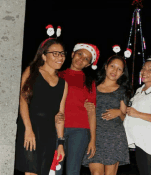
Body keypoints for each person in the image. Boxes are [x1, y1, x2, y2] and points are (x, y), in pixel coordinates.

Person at [15, 38, 68, 175]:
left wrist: (60, 143)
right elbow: (23, 102)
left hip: (49, 133)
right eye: (55, 53)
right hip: (30, 128)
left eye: (62, 53)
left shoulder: (63, 84)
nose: (60, 57)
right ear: (44, 55)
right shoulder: (32, 71)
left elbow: (60, 114)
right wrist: (28, 129)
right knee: (31, 172)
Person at [82, 55, 131, 175]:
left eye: (119, 69)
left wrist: (119, 112)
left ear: (122, 73)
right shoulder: (92, 86)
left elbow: (127, 120)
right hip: (95, 136)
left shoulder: (122, 91)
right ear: (105, 67)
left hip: (114, 137)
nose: (114, 71)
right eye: (112, 66)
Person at [56, 43, 100, 175]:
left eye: (86, 58)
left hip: (80, 131)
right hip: (57, 128)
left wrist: (93, 139)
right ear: (72, 54)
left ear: (88, 64)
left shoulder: (89, 81)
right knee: (55, 168)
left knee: (73, 171)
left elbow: (92, 112)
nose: (81, 59)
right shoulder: (57, 74)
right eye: (80, 54)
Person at [123, 54, 151, 175]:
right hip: (140, 142)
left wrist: (137, 114)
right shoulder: (139, 91)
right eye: (143, 68)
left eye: (150, 69)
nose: (144, 71)